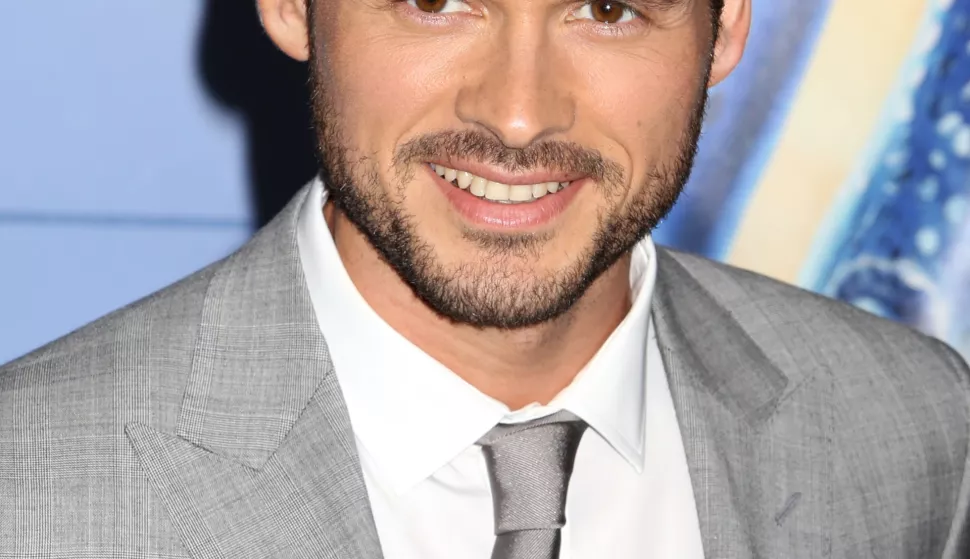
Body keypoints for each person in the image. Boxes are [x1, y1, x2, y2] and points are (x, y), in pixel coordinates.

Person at [1, 0, 968, 557]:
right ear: (294, 4)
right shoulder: (27, 494)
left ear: (724, 32)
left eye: (607, 7)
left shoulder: (916, 429)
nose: (517, 114)